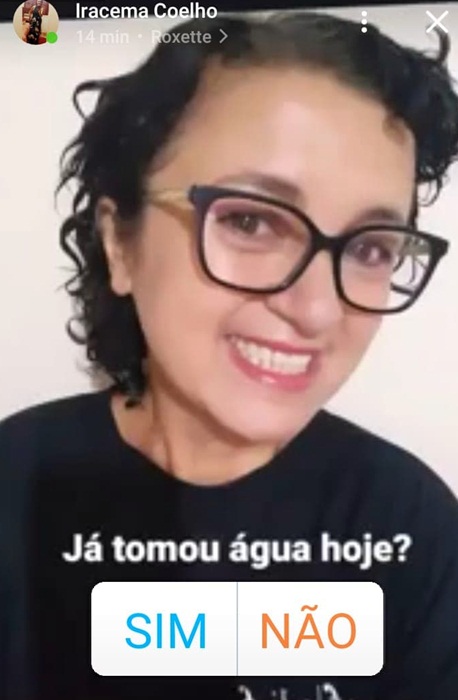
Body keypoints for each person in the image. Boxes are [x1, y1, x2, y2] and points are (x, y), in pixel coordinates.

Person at [1, 10, 458, 700]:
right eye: (250, 220)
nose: (317, 310)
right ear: (120, 242)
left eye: (370, 248)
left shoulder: (407, 527)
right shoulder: (16, 488)